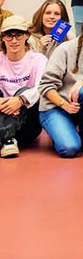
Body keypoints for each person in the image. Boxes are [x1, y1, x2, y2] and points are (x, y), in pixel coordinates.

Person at [36, 8, 83, 157]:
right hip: (55, 106)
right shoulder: (64, 49)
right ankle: (61, 128)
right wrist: (65, 105)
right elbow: (45, 86)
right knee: (69, 148)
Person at [0, 16, 47, 158]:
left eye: (19, 35)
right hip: (1, 113)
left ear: (26, 36)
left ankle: (7, 139)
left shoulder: (38, 60)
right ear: (2, 38)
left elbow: (42, 87)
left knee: (25, 91)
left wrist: (20, 100)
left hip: (28, 124)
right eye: (9, 36)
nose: (14, 41)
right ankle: (7, 139)